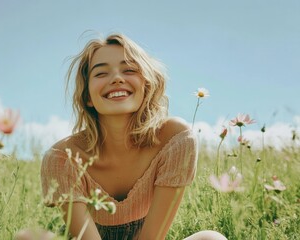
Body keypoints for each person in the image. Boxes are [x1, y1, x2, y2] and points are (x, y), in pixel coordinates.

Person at [41, 33, 227, 240]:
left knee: (211, 238)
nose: (117, 78)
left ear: (146, 85)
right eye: (101, 73)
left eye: (129, 69)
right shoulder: (63, 158)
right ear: (88, 96)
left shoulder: (175, 140)